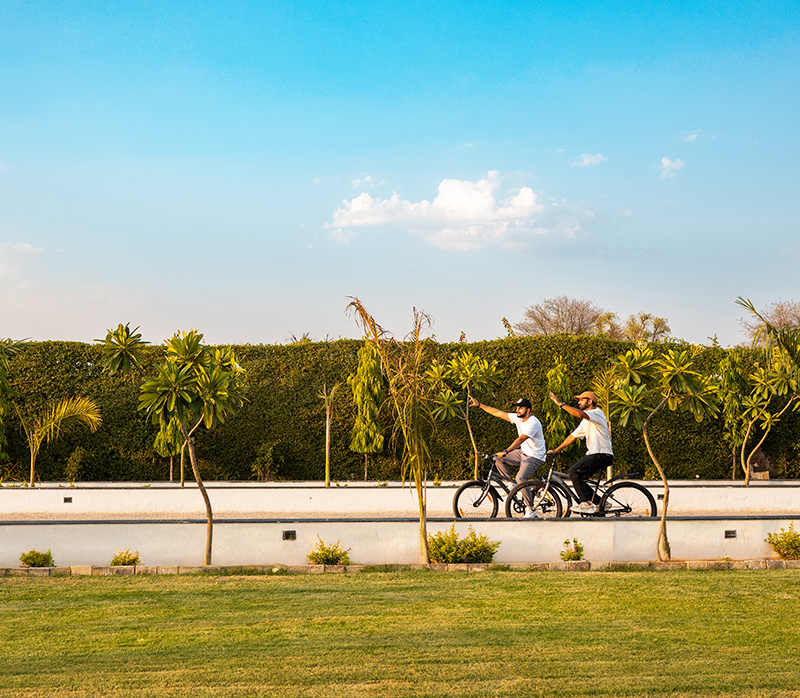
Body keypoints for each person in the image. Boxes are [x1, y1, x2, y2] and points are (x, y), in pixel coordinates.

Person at [468, 396, 547, 518]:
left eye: (521, 408)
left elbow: (521, 439)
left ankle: (531, 509)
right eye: (517, 408)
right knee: (497, 458)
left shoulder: (533, 422)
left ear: (528, 410)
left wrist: (506, 451)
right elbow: (498, 413)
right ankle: (511, 483)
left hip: (535, 456)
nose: (518, 410)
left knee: (521, 478)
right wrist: (480, 405)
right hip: (524, 453)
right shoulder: (518, 418)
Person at [547, 390, 613, 514]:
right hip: (597, 455)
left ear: (590, 401)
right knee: (579, 478)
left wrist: (560, 404)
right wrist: (556, 450)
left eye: (582, 400)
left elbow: (579, 414)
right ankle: (600, 502)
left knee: (573, 471)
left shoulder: (597, 413)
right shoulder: (586, 422)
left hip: (600, 454)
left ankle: (586, 504)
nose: (579, 403)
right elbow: (572, 437)